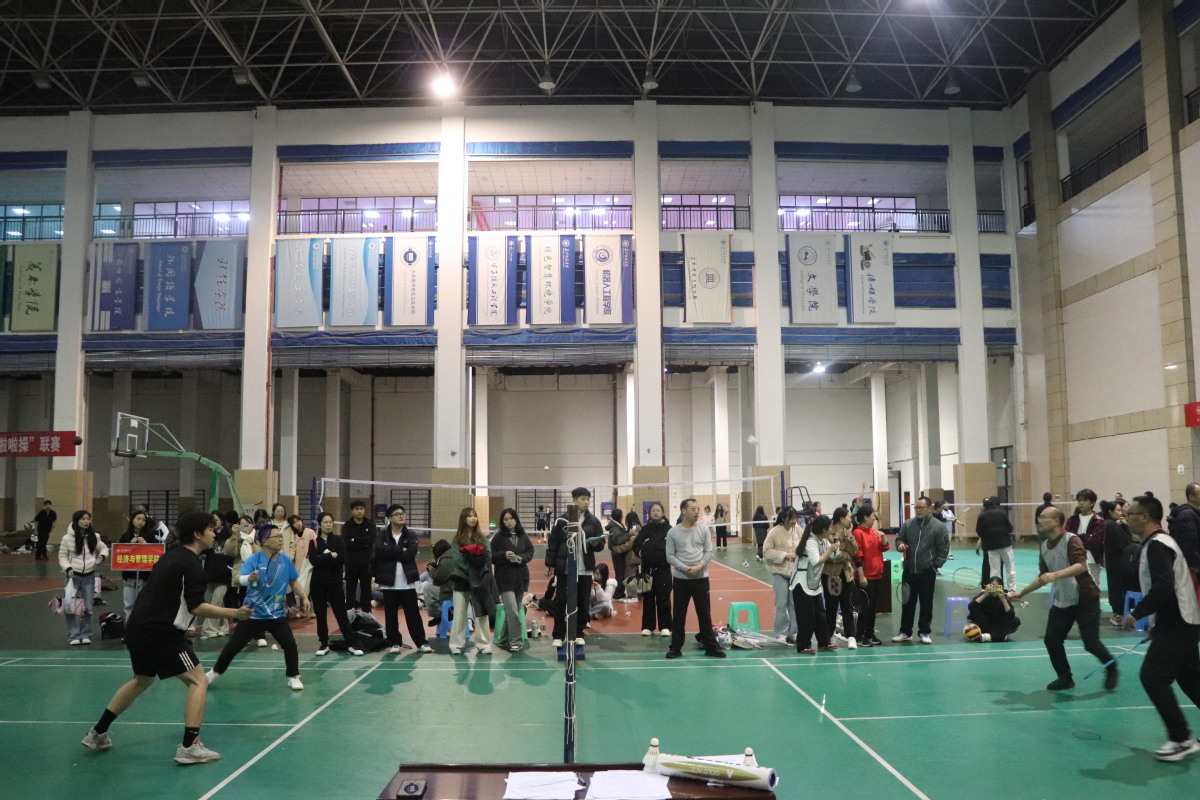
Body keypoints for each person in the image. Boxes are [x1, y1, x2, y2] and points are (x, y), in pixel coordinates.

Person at [81, 510, 253, 764]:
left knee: (142, 680)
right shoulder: (191, 565)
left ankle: (97, 733)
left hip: (137, 628)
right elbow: (197, 606)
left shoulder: (170, 556)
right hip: (160, 632)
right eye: (210, 529)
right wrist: (235, 613)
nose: (214, 533)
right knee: (198, 681)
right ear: (197, 534)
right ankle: (190, 746)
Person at [1123, 494, 1200, 761]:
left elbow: (1164, 586)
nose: (1126, 517)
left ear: (1144, 517)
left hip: (1178, 622)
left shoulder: (1157, 545)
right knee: (1190, 679)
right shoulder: (1153, 544)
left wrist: (1137, 613)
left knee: (1153, 676)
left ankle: (1181, 739)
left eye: (1130, 514)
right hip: (1180, 621)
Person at [1009, 506, 1117, 692]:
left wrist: (1056, 574)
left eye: (1044, 517)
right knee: (1052, 640)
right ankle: (1065, 678)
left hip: (1085, 598)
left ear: (1056, 521)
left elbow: (1081, 566)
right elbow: (1043, 576)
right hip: (1063, 600)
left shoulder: (1071, 540)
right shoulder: (1044, 546)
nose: (1039, 520)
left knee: (1091, 643)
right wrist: (1022, 592)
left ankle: (1111, 667)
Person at [207, 525, 311, 691]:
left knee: (290, 644)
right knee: (233, 646)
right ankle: (214, 673)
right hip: (252, 613)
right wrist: (249, 578)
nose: (280, 539)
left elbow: (293, 581)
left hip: (276, 615)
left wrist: (304, 597)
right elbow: (237, 579)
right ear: (264, 541)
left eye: (280, 536)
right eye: (276, 537)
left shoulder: (285, 561)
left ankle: (293, 676)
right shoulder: (254, 560)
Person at [665, 498, 724, 659]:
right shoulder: (673, 532)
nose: (696, 511)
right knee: (679, 615)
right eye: (693, 509)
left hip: (701, 578)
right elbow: (670, 555)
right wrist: (684, 568)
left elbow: (708, 552)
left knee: (705, 614)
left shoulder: (704, 529)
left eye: (698, 509)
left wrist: (699, 567)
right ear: (684, 511)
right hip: (681, 579)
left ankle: (711, 647)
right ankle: (675, 648)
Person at [546, 488, 604, 648]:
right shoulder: (562, 520)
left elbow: (600, 545)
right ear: (574, 500)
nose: (586, 502)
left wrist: (596, 543)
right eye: (583, 499)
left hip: (584, 568)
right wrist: (550, 563)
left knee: (582, 602)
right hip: (565, 568)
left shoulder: (593, 521)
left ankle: (579, 633)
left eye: (588, 499)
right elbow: (553, 543)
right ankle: (558, 635)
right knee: (561, 601)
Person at [372, 504, 431, 654]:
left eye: (403, 513)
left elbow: (410, 554)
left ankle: (421, 642)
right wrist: (399, 549)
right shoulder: (382, 535)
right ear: (389, 518)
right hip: (389, 583)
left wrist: (391, 553)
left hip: (407, 582)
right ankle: (394, 643)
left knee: (413, 615)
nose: (401, 516)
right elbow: (380, 552)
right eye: (397, 514)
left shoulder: (410, 535)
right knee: (391, 615)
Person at [892, 496, 949, 645]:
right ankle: (905, 632)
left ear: (929, 509)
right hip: (909, 570)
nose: (918, 510)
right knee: (907, 602)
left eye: (921, 508)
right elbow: (899, 539)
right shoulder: (908, 524)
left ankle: (924, 632)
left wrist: (935, 566)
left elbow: (944, 549)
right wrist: (900, 545)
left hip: (927, 571)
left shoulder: (938, 527)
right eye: (916, 507)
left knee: (926, 603)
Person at [308, 511, 364, 656]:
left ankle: (351, 643)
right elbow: (314, 560)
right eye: (325, 522)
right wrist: (329, 556)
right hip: (318, 584)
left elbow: (342, 558)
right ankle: (324, 643)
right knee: (321, 615)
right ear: (319, 524)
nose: (328, 525)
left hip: (335, 583)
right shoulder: (314, 542)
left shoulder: (338, 541)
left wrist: (324, 558)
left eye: (330, 522)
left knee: (341, 614)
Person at [449, 507, 496, 655]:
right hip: (462, 580)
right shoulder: (457, 539)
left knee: (481, 614)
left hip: (479, 581)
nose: (473, 518)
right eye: (469, 516)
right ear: (464, 519)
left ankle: (483, 644)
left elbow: (488, 554)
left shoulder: (482, 537)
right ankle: (456, 644)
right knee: (459, 614)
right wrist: (472, 567)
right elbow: (458, 559)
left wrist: (477, 568)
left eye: (475, 515)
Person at [59, 510, 109, 646]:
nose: (86, 521)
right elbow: (62, 556)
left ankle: (86, 634)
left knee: (88, 608)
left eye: (88, 519)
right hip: (72, 578)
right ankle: (73, 635)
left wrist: (101, 556)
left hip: (89, 577)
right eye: (83, 519)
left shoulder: (95, 536)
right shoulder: (67, 538)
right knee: (70, 608)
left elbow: (104, 548)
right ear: (76, 521)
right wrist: (68, 568)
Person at [492, 508, 534, 652]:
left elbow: (530, 551)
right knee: (513, 610)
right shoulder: (498, 537)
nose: (509, 522)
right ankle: (516, 640)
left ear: (516, 519)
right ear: (502, 522)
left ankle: (504, 639)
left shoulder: (522, 535)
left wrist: (520, 558)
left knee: (513, 610)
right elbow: (491, 555)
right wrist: (504, 555)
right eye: (506, 519)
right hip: (504, 579)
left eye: (511, 518)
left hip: (520, 578)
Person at [793, 514, 837, 654]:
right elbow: (816, 561)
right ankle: (803, 645)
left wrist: (837, 545)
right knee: (806, 616)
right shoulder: (811, 541)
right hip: (802, 584)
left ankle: (824, 642)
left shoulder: (823, 541)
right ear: (823, 529)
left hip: (814, 584)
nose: (831, 530)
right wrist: (830, 550)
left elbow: (834, 555)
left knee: (820, 614)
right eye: (829, 528)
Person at [763, 505, 802, 643]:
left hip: (795, 573)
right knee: (781, 603)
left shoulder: (798, 529)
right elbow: (766, 551)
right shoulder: (774, 532)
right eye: (791, 518)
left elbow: (804, 545)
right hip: (779, 572)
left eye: (795, 518)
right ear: (784, 518)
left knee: (794, 603)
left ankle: (794, 632)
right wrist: (785, 555)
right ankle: (781, 633)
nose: (793, 521)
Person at [633, 501, 672, 637]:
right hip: (646, 569)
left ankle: (665, 626)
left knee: (663, 598)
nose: (655, 513)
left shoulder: (669, 529)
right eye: (653, 511)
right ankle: (647, 626)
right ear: (649, 514)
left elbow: (675, 545)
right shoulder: (645, 529)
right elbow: (636, 545)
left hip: (663, 569)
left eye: (658, 510)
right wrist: (642, 553)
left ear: (663, 513)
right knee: (648, 598)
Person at [851, 504, 888, 647]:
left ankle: (869, 633)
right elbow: (858, 556)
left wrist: (883, 536)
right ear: (866, 517)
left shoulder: (874, 532)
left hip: (877, 575)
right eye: (873, 516)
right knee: (864, 608)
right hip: (865, 577)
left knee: (873, 608)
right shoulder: (858, 533)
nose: (874, 519)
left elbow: (884, 547)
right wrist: (861, 576)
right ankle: (860, 635)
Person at [825, 506, 859, 648]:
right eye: (848, 516)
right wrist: (845, 555)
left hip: (846, 574)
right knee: (831, 607)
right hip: (831, 575)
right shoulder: (828, 531)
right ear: (841, 518)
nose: (851, 519)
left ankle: (851, 636)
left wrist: (849, 537)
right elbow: (832, 555)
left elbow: (854, 551)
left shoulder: (848, 532)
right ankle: (829, 636)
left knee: (847, 606)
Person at [199, 511, 235, 640]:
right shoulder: (208, 535)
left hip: (224, 574)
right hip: (209, 572)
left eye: (217, 520)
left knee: (215, 602)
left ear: (222, 521)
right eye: (212, 520)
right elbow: (203, 551)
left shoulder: (229, 535)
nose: (214, 523)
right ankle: (223, 628)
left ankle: (209, 630)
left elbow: (233, 553)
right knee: (215, 602)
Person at [1100, 500, 1133, 627]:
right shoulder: (1111, 526)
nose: (1121, 513)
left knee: (1117, 589)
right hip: (1117, 563)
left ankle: (1118, 614)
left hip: (1114, 562)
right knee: (1118, 589)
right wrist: (1125, 527)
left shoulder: (1111, 524)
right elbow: (1125, 543)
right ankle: (1118, 615)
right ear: (1110, 512)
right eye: (1118, 510)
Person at [1065, 489, 1105, 587]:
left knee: (1093, 587)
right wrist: (1087, 536)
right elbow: (1067, 538)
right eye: (1079, 500)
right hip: (1073, 559)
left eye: (1085, 500)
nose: (1081, 503)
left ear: (1092, 503)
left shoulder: (1099, 521)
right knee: (1074, 587)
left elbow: (1094, 542)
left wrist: (1076, 538)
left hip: (1092, 560)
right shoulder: (1072, 520)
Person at [119, 509, 154, 618]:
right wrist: (129, 544)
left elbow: (156, 552)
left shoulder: (150, 536)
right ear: (132, 520)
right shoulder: (125, 536)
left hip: (145, 577)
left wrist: (146, 544)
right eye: (138, 519)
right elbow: (119, 552)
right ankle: (129, 626)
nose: (141, 522)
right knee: (129, 605)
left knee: (144, 606)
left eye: (143, 520)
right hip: (129, 577)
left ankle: (142, 627)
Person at [342, 500, 376, 611]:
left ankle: (367, 614)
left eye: (361, 509)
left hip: (366, 564)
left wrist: (355, 539)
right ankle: (350, 614)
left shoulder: (370, 525)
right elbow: (346, 542)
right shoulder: (347, 526)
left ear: (364, 510)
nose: (359, 511)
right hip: (351, 563)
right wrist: (362, 542)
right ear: (352, 511)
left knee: (366, 590)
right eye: (357, 509)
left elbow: (370, 541)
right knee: (350, 589)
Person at [975, 496, 1016, 590]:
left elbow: (979, 531)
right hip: (1005, 545)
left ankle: (997, 590)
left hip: (990, 547)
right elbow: (1010, 528)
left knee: (995, 570)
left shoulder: (981, 516)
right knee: (1010, 568)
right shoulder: (1002, 513)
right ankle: (1012, 590)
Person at [966, 578, 1020, 642]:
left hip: (997, 626)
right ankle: (1000, 636)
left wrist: (1003, 599)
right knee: (974, 614)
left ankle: (987, 637)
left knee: (1015, 621)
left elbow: (1011, 615)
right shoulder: (983, 594)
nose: (994, 589)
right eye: (992, 586)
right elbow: (971, 607)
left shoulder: (1004, 597)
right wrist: (985, 594)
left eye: (997, 587)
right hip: (983, 624)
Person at [285, 515, 316, 616]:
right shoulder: (292, 535)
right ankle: (302, 609)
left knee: (311, 587)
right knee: (302, 587)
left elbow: (316, 545)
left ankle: (312, 609)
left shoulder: (310, 532)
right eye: (294, 522)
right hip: (298, 566)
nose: (298, 523)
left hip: (310, 564)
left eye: (298, 520)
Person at [605, 509, 631, 600]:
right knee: (620, 574)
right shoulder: (614, 527)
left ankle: (620, 592)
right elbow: (618, 540)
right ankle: (617, 594)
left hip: (619, 553)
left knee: (621, 573)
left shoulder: (618, 525)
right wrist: (629, 535)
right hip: (617, 554)